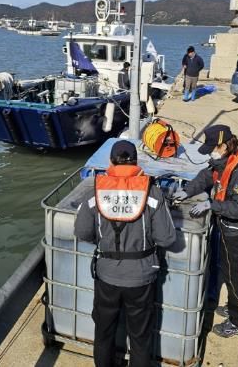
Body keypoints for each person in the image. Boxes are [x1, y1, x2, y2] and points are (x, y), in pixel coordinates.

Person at [74, 140, 177, 367]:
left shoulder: (95, 193)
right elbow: (167, 238)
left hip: (106, 276)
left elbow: (81, 232)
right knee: (140, 338)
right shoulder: (152, 194)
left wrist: (104, 241)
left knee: (103, 332)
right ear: (136, 162)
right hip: (142, 278)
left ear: (111, 162)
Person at [173, 125, 238, 338]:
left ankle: (237, 322)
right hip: (227, 229)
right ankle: (234, 307)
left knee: (234, 276)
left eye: (212, 148)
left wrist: (212, 205)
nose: (209, 153)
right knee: (228, 271)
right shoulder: (223, 162)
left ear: (223, 146)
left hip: (237, 234)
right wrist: (186, 191)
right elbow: (206, 177)